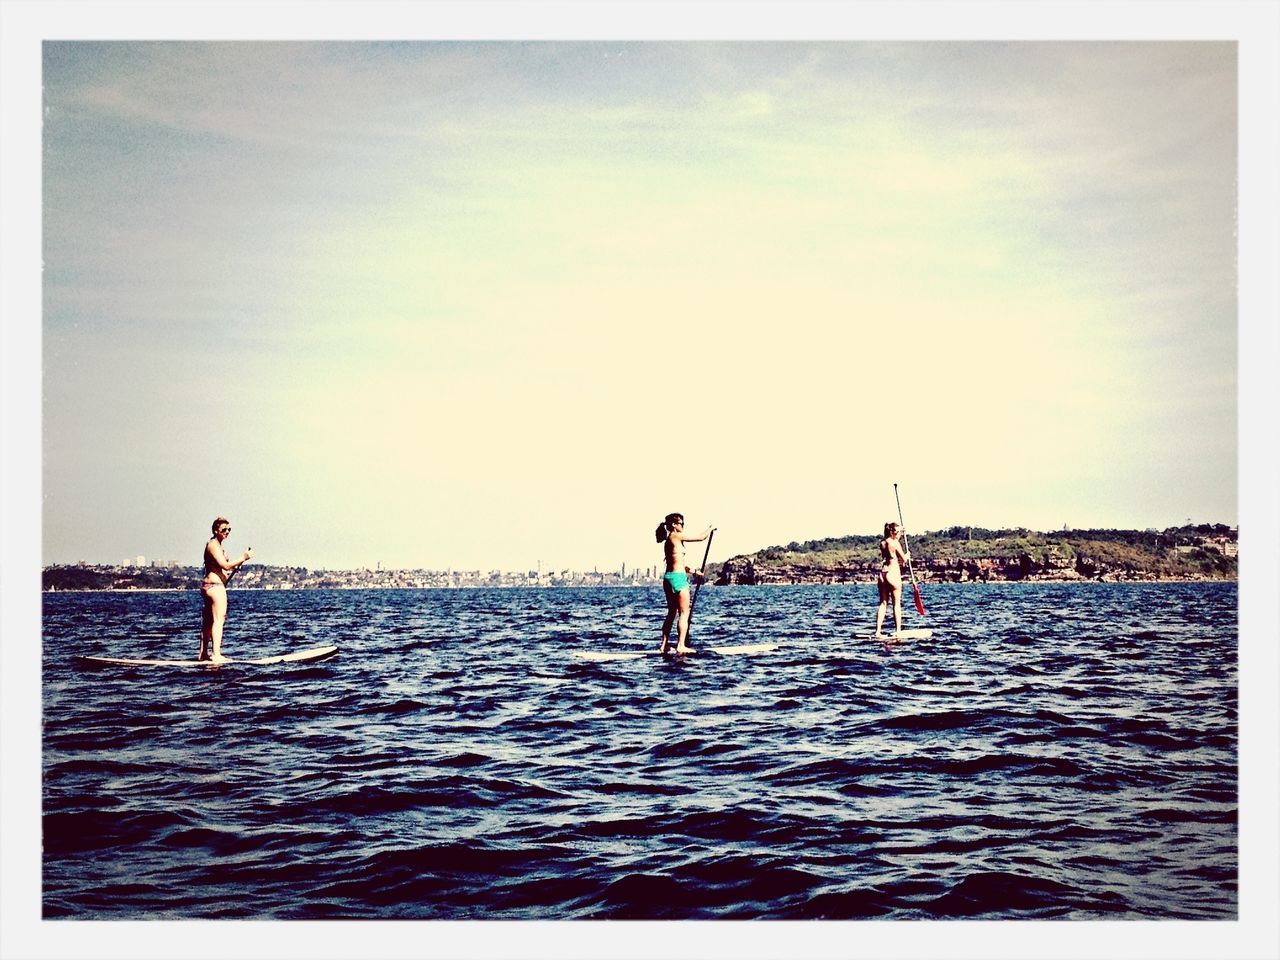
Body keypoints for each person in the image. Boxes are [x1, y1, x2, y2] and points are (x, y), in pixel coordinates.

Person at [655, 512, 714, 655]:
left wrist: (694, 571)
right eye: (681, 523)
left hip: (669, 577)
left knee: (671, 613)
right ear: (674, 525)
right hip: (678, 579)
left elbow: (679, 563)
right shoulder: (676, 535)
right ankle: (681, 645)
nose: (683, 526)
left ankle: (664, 645)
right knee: (684, 612)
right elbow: (701, 538)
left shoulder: (670, 540)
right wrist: (710, 529)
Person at [198, 517, 253, 662]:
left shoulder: (217, 546)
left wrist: (236, 564)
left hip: (210, 586)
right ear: (216, 530)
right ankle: (216, 654)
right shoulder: (213, 545)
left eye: (229, 529)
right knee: (218, 619)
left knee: (209, 621)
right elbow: (225, 566)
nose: (227, 532)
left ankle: (203, 654)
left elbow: (224, 570)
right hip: (215, 588)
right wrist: (243, 557)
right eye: (224, 530)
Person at [875, 521, 911, 640]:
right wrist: (908, 555)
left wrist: (900, 531)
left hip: (882, 574)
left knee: (883, 603)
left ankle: (878, 631)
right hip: (892, 574)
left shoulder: (883, 542)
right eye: (897, 531)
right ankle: (898, 631)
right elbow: (904, 559)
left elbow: (890, 552)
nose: (899, 533)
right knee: (896, 604)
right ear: (893, 532)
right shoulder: (895, 543)